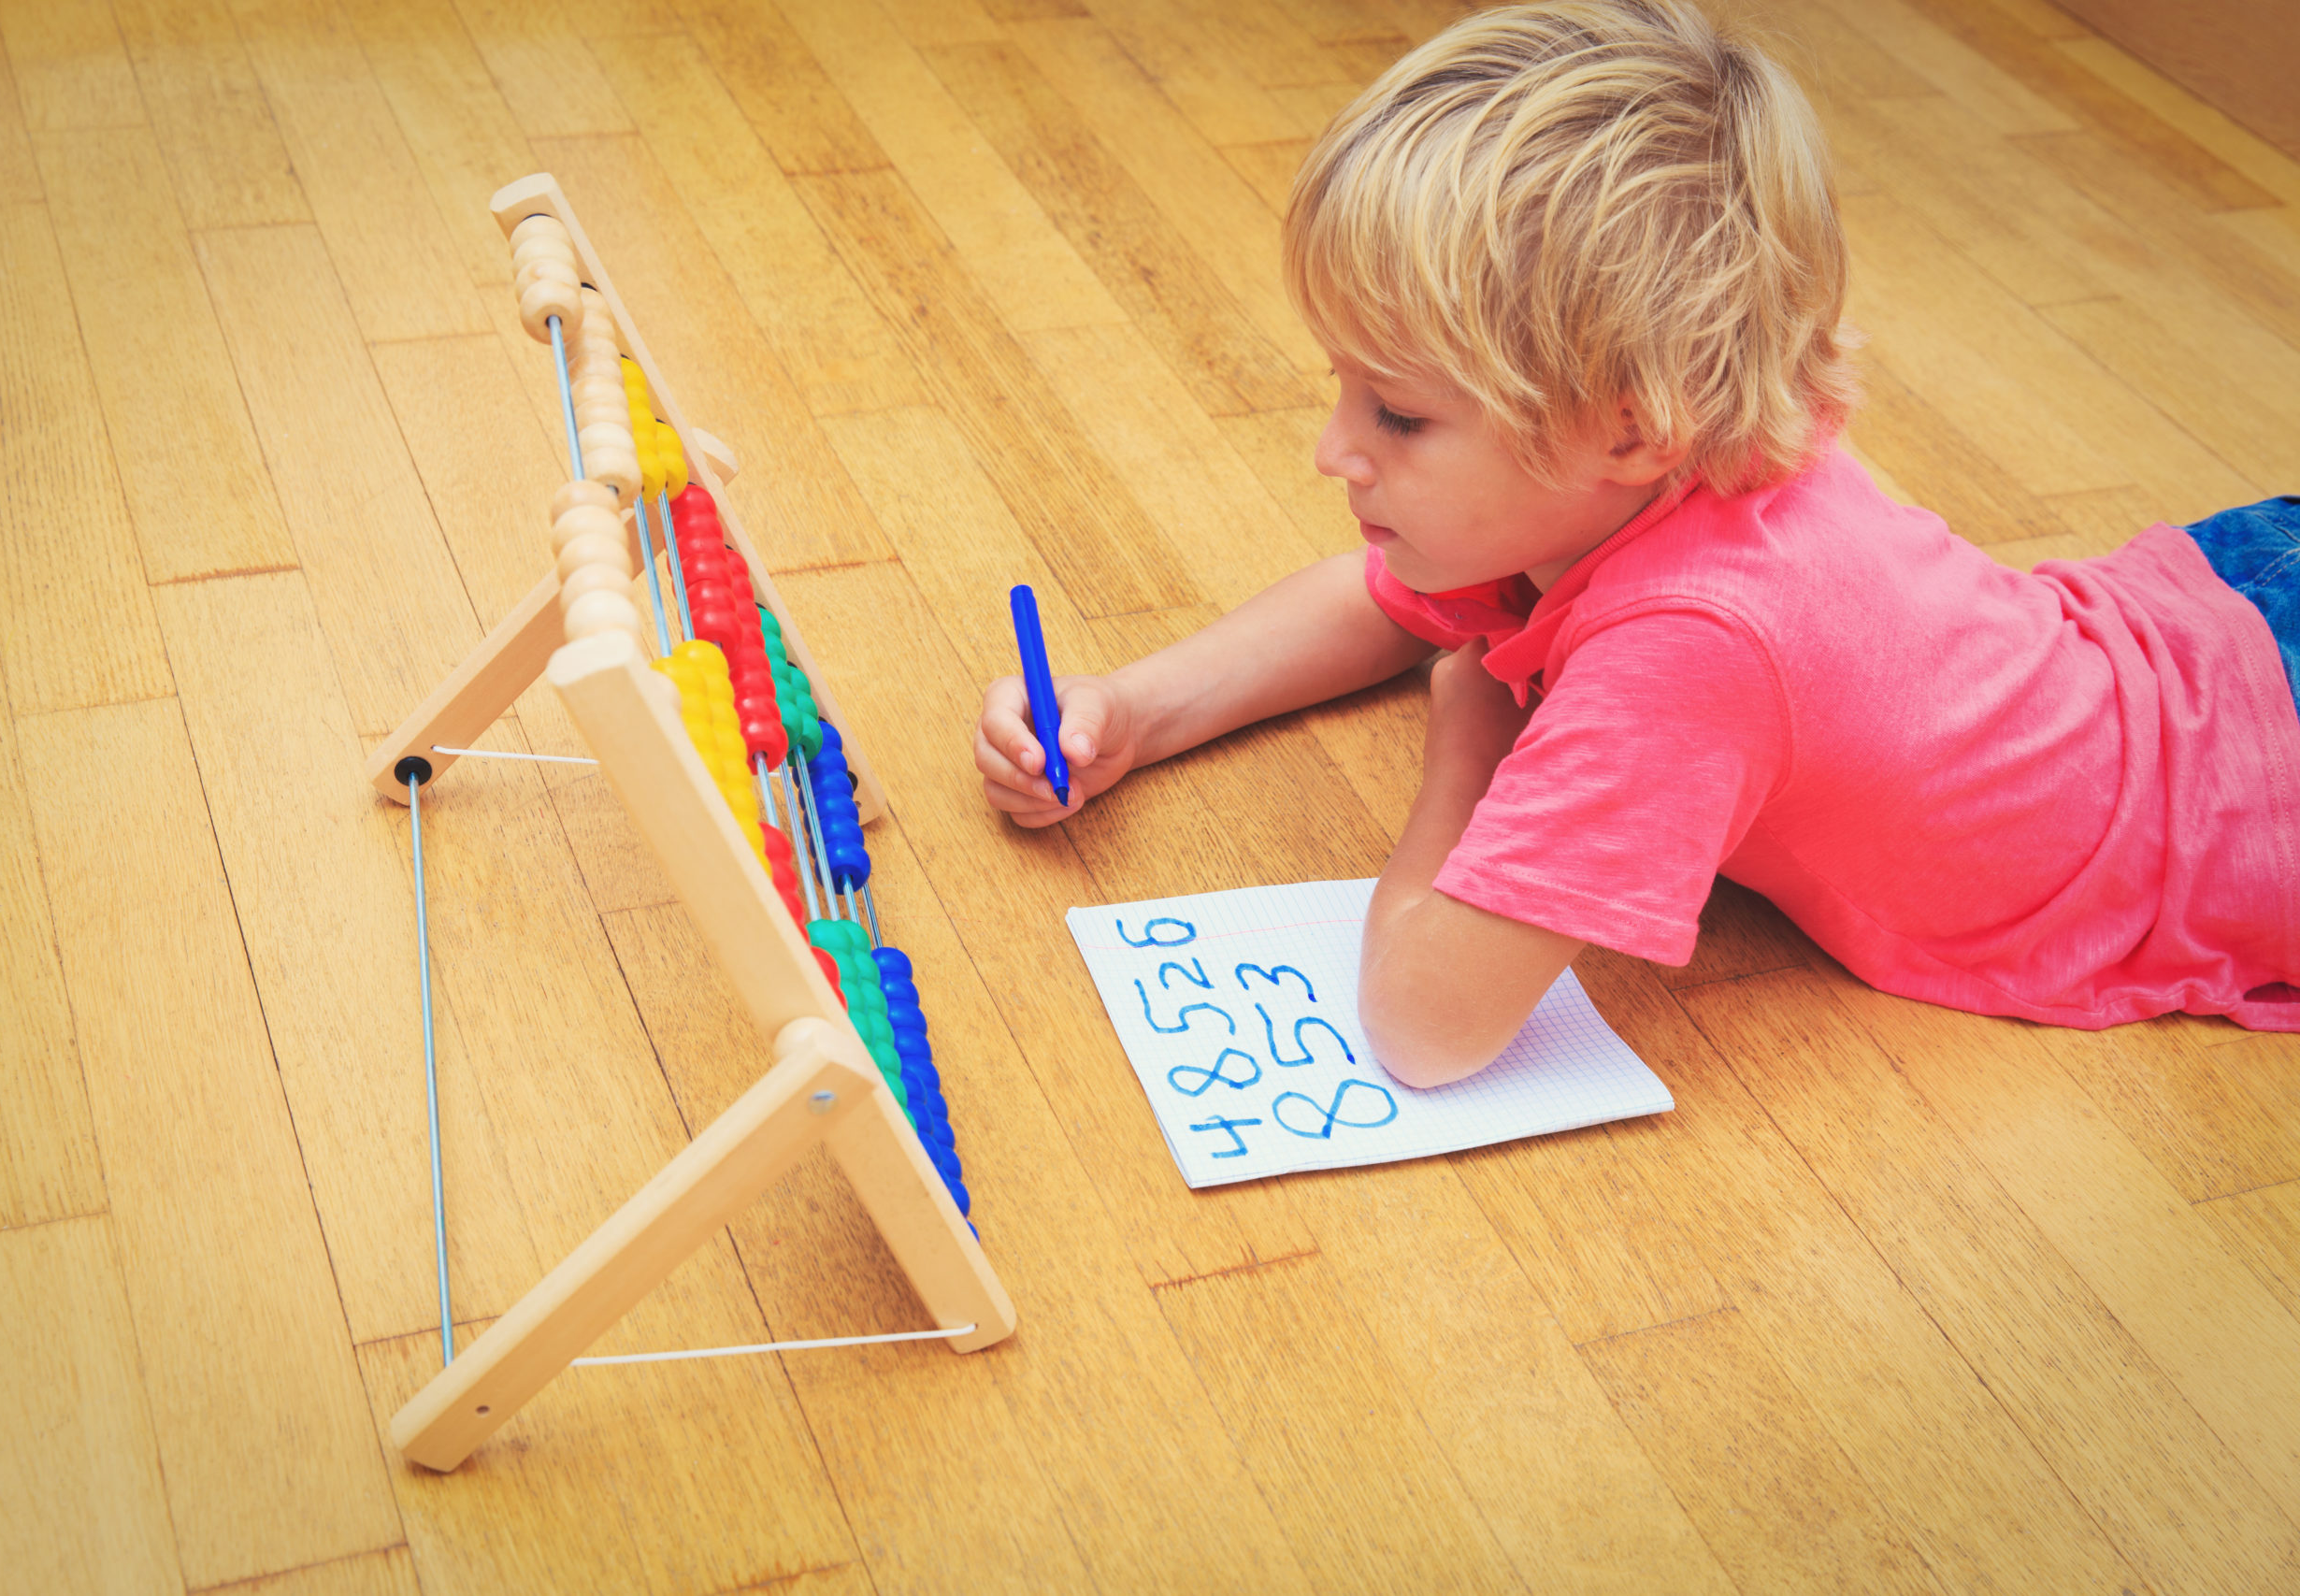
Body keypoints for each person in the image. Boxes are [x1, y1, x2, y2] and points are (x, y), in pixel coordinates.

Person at [971, 0, 2300, 1084]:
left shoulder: (1691, 649)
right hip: (2221, 613)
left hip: (2245, 804)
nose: (1335, 449)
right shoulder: (1651, 449)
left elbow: (1427, 1028)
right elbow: (1387, 600)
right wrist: (1132, 712)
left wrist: (1469, 740)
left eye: (1399, 414)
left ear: (1632, 427)